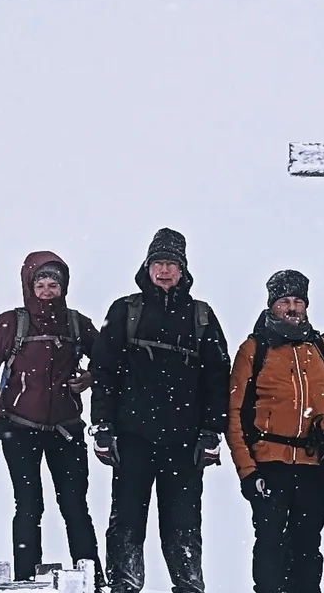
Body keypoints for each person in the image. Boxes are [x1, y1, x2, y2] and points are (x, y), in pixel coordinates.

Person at [90, 228, 233, 593]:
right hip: (132, 438)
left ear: (183, 270)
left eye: (171, 263)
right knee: (126, 522)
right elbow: (103, 372)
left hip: (184, 444)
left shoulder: (201, 316)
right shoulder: (124, 311)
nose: (164, 270)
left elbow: (219, 379)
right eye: (158, 263)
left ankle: (188, 586)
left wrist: (211, 431)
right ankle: (124, 585)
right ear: (147, 266)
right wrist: (102, 426)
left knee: (183, 524)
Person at [0, 251, 103, 582]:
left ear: (64, 288)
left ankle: (93, 580)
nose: (47, 291)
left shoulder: (76, 323)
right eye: (40, 284)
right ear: (29, 286)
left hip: (66, 431)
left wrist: (90, 378)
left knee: (75, 508)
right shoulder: (12, 323)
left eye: (53, 285)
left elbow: (110, 362)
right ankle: (27, 581)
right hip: (20, 430)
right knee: (29, 508)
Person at [228, 270, 324, 593]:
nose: (292, 307)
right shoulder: (254, 349)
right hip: (270, 465)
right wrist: (247, 471)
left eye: (298, 301)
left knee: (308, 549)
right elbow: (235, 414)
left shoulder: (323, 348)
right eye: (285, 301)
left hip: (313, 467)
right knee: (269, 548)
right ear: (272, 305)